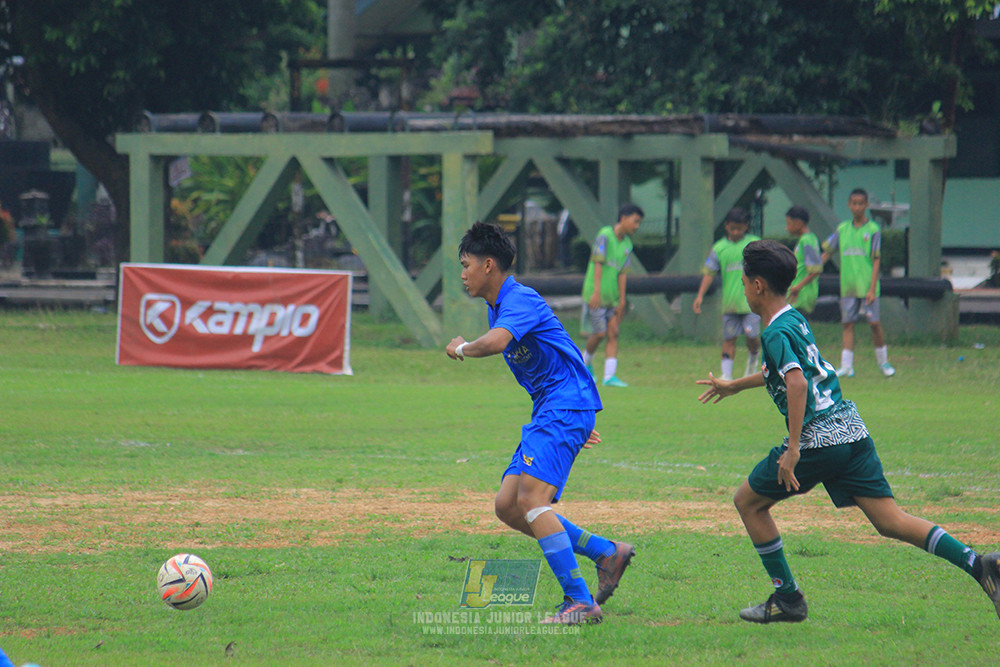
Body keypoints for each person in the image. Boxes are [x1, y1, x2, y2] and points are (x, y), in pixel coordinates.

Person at [696, 239, 1000, 625]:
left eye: (743, 280)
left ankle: (788, 598)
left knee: (748, 502)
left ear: (757, 286)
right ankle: (980, 564)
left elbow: (798, 385)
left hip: (818, 440)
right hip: (851, 431)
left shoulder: (772, 333)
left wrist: (792, 449)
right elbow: (795, 372)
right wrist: (735, 385)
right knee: (890, 520)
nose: (741, 286)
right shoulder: (794, 319)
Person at [447, 222, 635, 625]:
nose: (462, 274)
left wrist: (461, 347)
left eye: (466, 265)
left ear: (489, 264)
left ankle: (580, 600)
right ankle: (606, 552)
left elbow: (495, 343)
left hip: (562, 408)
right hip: (558, 410)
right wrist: (574, 421)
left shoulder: (519, 299)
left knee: (531, 500)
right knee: (507, 506)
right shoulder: (498, 305)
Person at [820, 188, 895, 377]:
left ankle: (884, 363)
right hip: (848, 287)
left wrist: (872, 288)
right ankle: (847, 366)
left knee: (874, 323)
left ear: (866, 205)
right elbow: (828, 251)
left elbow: (876, 259)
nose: (857, 207)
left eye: (861, 203)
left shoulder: (873, 230)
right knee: (847, 324)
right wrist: (812, 268)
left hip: (867, 287)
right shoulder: (842, 229)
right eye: (854, 203)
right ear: (849, 205)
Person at [693, 207, 762, 381]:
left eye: (739, 228)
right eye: (732, 228)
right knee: (729, 338)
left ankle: (753, 358)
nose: (736, 232)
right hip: (730, 303)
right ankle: (727, 375)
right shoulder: (719, 248)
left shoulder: (754, 244)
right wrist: (700, 295)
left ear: (746, 227)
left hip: (751, 303)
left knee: (751, 335)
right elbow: (709, 273)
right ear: (726, 226)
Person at [581, 203, 643, 387]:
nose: (637, 226)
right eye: (635, 221)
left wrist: (622, 300)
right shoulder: (605, 235)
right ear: (623, 218)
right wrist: (596, 293)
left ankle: (609, 376)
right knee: (599, 333)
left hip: (612, 298)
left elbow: (622, 274)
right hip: (597, 295)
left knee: (614, 333)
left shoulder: (627, 245)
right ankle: (584, 365)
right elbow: (598, 264)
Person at [784, 206, 822, 316]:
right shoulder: (806, 239)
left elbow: (815, 270)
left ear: (798, 223)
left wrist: (798, 287)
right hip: (799, 295)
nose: (787, 228)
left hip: (801, 296)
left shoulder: (807, 240)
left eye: (788, 223)